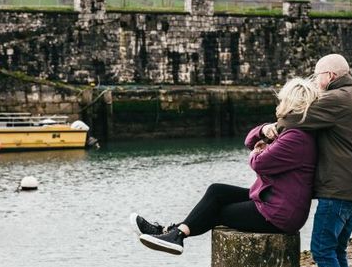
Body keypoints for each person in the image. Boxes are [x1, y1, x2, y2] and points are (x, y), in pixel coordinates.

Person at [130, 78, 319, 255]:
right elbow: (249, 140)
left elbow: (260, 164)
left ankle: (175, 235)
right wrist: (263, 130)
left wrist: (257, 153)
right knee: (217, 191)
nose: (279, 104)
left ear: (290, 103)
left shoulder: (296, 138)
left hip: (279, 213)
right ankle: (171, 232)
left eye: (282, 100)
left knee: (218, 212)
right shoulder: (290, 131)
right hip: (272, 198)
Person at [262, 53, 352, 267]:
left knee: (322, 249)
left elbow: (298, 116)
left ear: (330, 76)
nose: (315, 81)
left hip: (339, 189)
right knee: (336, 250)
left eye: (316, 75)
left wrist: (273, 128)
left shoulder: (336, 99)